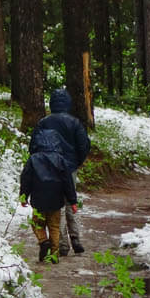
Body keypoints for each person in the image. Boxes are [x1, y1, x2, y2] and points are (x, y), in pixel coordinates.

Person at [31, 88, 90, 254]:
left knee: (57, 205)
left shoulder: (43, 122)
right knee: (71, 201)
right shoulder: (75, 123)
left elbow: (33, 146)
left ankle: (63, 245)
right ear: (68, 103)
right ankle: (75, 238)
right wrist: (77, 162)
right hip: (69, 168)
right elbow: (83, 145)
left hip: (48, 170)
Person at [20, 124, 79, 263]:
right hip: (56, 199)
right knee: (54, 227)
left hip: (39, 199)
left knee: (36, 224)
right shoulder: (60, 159)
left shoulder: (33, 159)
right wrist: (73, 201)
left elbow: (26, 179)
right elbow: (68, 182)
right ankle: (54, 255)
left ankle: (43, 241)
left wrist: (24, 196)